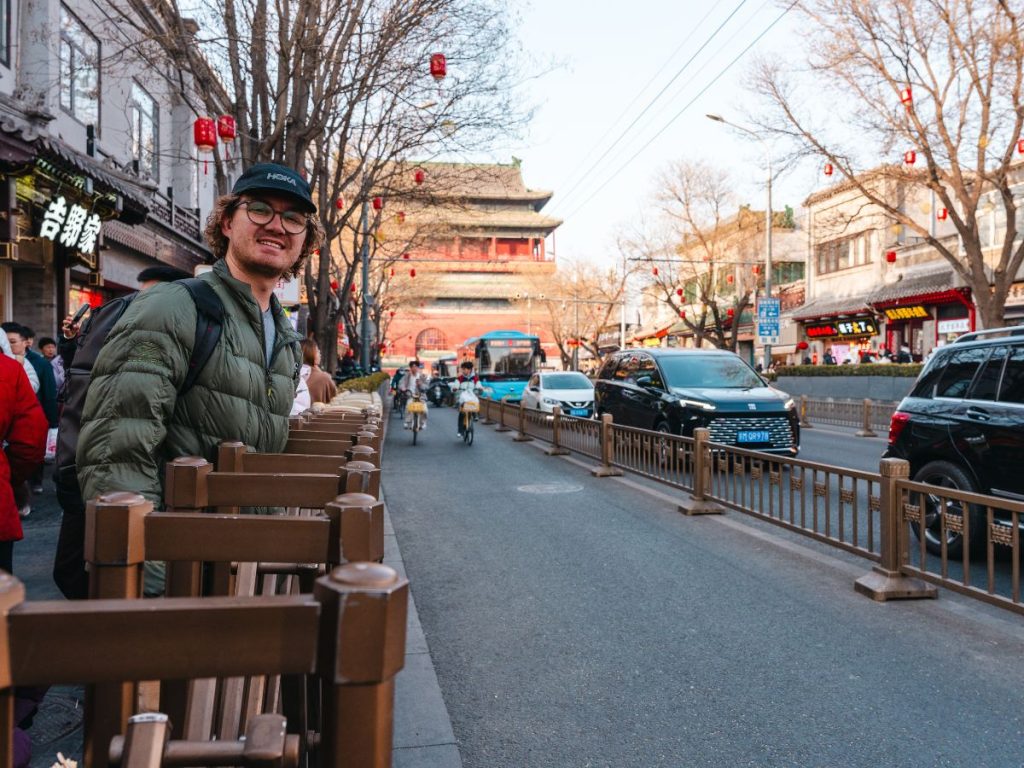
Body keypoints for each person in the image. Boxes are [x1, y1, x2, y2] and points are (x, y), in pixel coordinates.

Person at [74, 162, 325, 596]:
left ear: (304, 240)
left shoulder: (285, 339)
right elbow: (117, 452)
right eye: (261, 209)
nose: (277, 226)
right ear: (227, 221)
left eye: (293, 218)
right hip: (177, 577)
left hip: (238, 573)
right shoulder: (174, 307)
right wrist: (153, 580)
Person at [302, 339, 337, 404]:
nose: (320, 354)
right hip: (315, 413)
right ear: (311, 353)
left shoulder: (292, 372)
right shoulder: (323, 378)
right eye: (317, 351)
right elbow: (334, 396)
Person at [400, 360, 430, 429]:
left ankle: (423, 423)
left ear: (418, 367)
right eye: (412, 367)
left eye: (416, 366)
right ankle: (407, 422)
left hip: (421, 396)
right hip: (410, 395)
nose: (414, 368)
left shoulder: (422, 376)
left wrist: (420, 384)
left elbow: (427, 386)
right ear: (410, 368)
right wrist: (403, 388)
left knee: (425, 410)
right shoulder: (407, 376)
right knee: (408, 407)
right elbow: (401, 383)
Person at [454, 360, 482, 437]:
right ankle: (460, 431)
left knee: (476, 400)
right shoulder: (460, 378)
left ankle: (475, 414)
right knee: (462, 413)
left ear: (469, 370)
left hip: (471, 394)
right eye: (463, 369)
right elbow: (456, 385)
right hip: (463, 394)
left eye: (465, 369)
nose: (463, 370)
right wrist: (455, 388)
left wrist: (480, 388)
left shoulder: (475, 378)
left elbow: (478, 384)